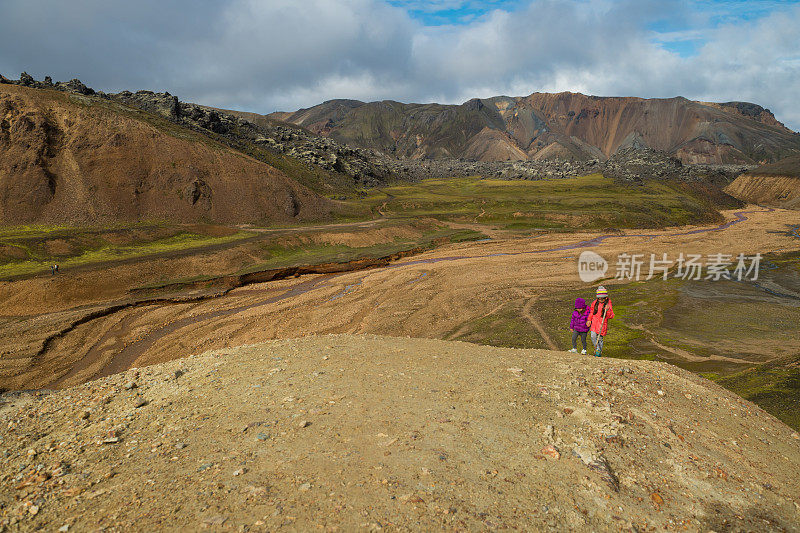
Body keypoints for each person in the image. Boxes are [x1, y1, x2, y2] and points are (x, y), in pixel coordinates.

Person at [587, 286, 614, 357]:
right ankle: (598, 349)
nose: (601, 300)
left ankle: (599, 353)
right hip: (594, 323)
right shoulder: (594, 303)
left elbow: (611, 316)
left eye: (602, 299)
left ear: (606, 298)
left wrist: (607, 310)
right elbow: (592, 311)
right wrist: (589, 319)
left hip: (602, 324)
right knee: (593, 336)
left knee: (600, 339)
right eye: (599, 299)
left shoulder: (608, 304)